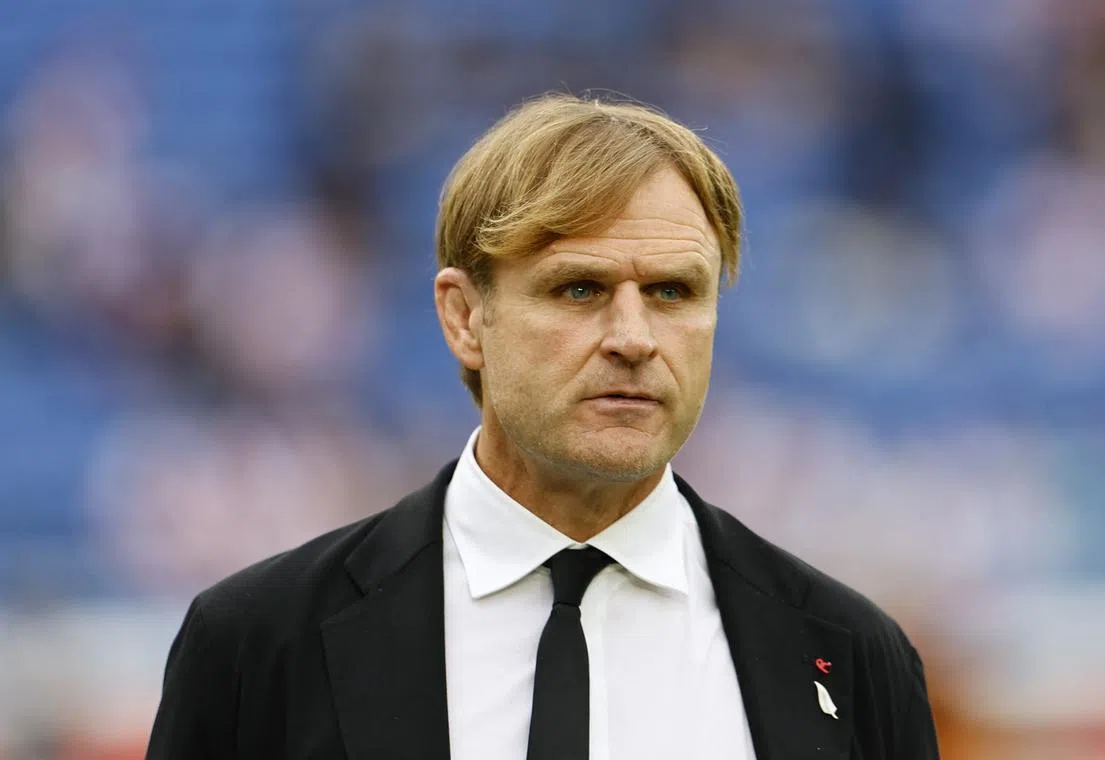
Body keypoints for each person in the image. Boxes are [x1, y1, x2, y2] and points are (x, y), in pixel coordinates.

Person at [145, 93, 940, 760]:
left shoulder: (849, 654)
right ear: (464, 318)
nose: (634, 338)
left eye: (672, 292)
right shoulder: (258, 643)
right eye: (579, 290)